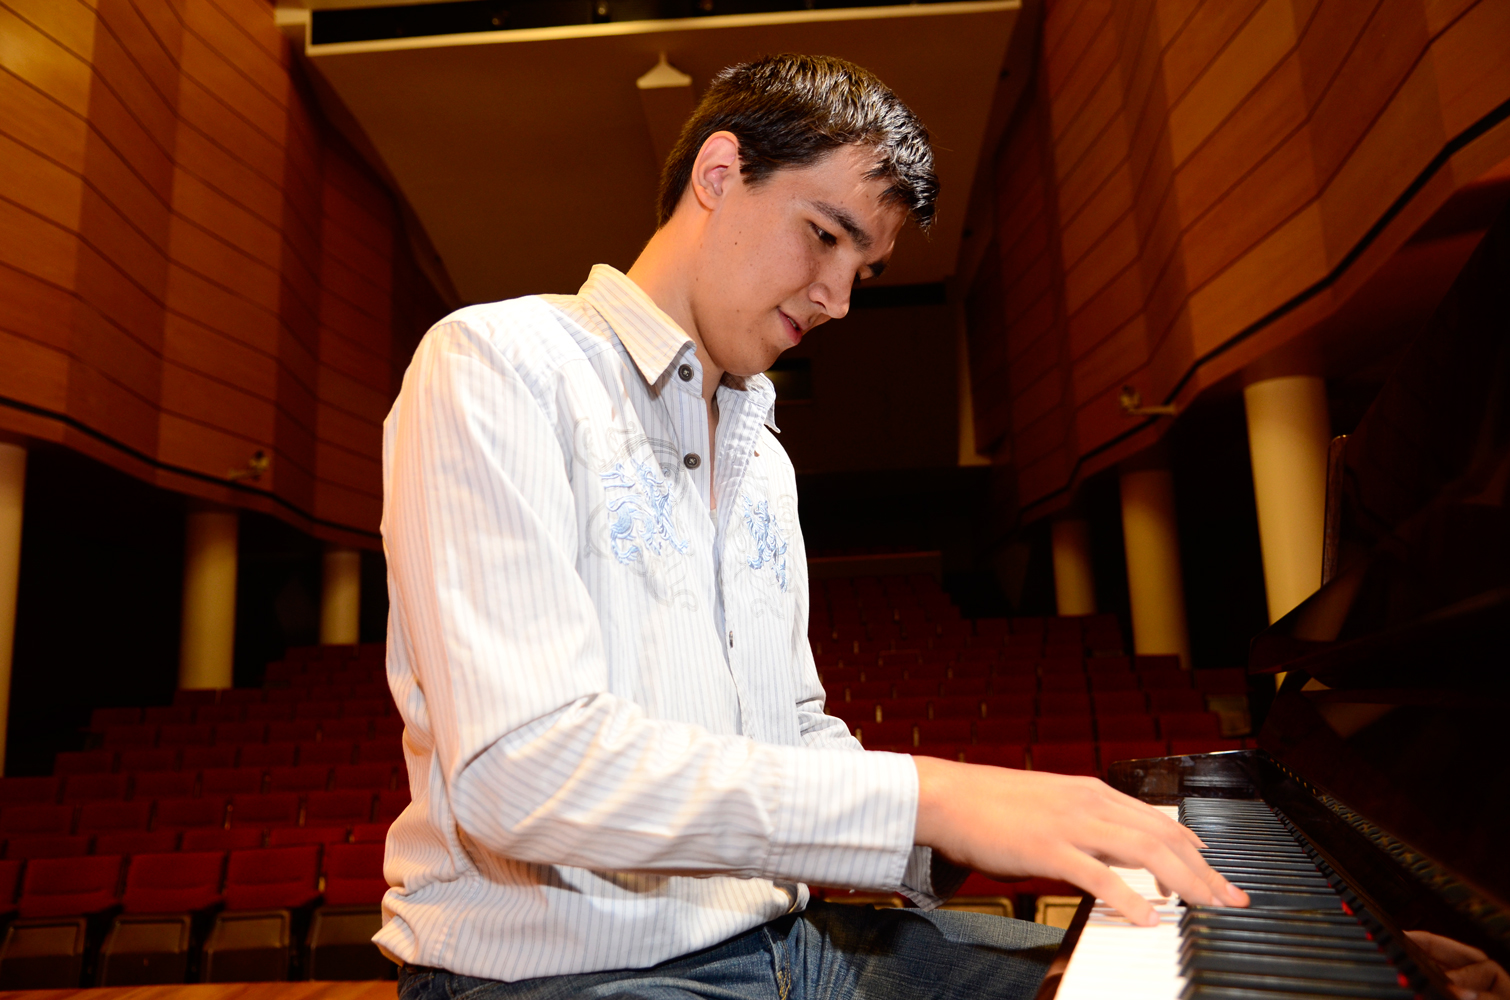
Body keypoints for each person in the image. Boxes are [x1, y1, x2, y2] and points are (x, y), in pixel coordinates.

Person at [379, 53, 1247, 1000]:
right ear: (719, 175)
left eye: (862, 268)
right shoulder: (495, 364)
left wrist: (967, 834)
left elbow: (791, 728)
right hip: (569, 971)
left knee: (1182, 984)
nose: (838, 299)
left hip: (789, 941)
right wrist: (936, 798)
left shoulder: (766, 455)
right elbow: (523, 772)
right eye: (823, 236)